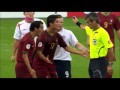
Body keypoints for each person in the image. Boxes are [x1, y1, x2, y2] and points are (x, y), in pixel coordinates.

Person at [72, 12, 114, 78]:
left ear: (94, 22)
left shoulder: (103, 33)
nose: (87, 24)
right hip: (92, 61)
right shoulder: (91, 29)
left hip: (100, 62)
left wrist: (109, 64)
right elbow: (83, 27)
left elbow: (110, 48)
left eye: (88, 22)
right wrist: (77, 22)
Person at [96, 12, 120, 78]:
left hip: (110, 46)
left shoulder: (114, 17)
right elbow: (90, 29)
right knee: (97, 67)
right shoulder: (96, 16)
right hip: (98, 46)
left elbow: (118, 30)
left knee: (109, 67)